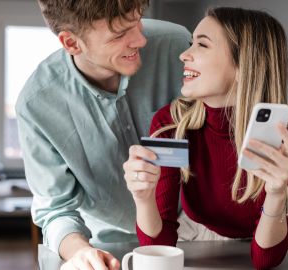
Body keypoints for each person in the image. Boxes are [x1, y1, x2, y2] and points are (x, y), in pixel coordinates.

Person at [123, 7, 288, 270]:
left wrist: (275, 193)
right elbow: (159, 248)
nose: (184, 55)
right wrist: (143, 198)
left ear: (243, 67)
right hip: (195, 239)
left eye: (201, 45)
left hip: (267, 238)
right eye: (191, 43)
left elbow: (265, 260)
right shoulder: (171, 123)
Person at [15, 0, 190, 269]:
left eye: (137, 21)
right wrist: (81, 252)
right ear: (72, 43)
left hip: (199, 236)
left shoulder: (177, 46)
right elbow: (56, 211)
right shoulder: (37, 104)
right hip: (112, 248)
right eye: (119, 35)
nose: (140, 40)